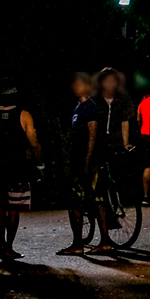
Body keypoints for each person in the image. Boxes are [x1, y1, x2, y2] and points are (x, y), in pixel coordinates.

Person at [0, 82, 43, 260]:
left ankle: (1, 245)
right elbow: (34, 141)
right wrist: (40, 164)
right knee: (14, 208)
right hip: (18, 167)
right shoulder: (24, 115)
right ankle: (9, 246)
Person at [91, 68, 134, 254]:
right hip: (98, 145)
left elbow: (125, 123)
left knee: (114, 178)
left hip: (115, 144)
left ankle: (113, 206)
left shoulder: (123, 101)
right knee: (96, 184)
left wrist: (125, 144)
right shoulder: (95, 101)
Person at [57, 74, 98, 256]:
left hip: (84, 160)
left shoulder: (90, 107)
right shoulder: (78, 107)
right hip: (77, 159)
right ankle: (79, 241)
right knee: (80, 201)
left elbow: (92, 134)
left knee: (77, 201)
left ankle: (78, 243)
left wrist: (87, 160)